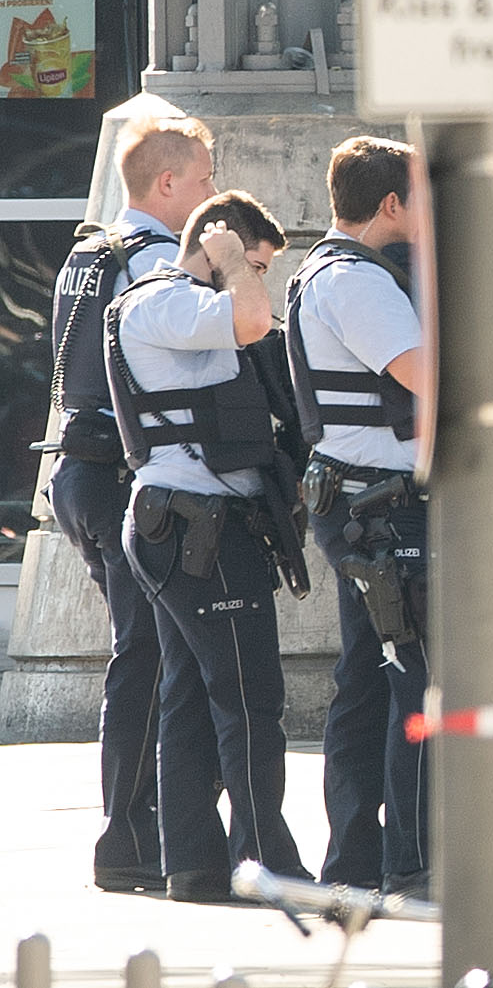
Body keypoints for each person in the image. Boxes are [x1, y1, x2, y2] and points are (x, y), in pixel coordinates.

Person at [103, 190, 308, 901]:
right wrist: (226, 256)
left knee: (191, 697)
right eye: (255, 263)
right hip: (197, 528)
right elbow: (251, 316)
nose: (258, 281)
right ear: (220, 245)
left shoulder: (191, 313)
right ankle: (265, 862)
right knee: (250, 699)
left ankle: (192, 863)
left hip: (193, 524)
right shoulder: (167, 301)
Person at [46, 114, 216, 893]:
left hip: (76, 471)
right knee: (148, 657)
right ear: (167, 183)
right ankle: (129, 834)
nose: (212, 195)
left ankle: (130, 832)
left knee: (138, 651)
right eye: (206, 180)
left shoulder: (85, 251)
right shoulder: (151, 260)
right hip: (121, 475)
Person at [284, 136, 431, 894]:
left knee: (370, 680)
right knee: (415, 681)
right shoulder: (359, 283)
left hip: (359, 502)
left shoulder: (327, 270)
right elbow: (425, 377)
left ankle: (356, 861)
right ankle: (411, 862)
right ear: (392, 204)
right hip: (385, 509)